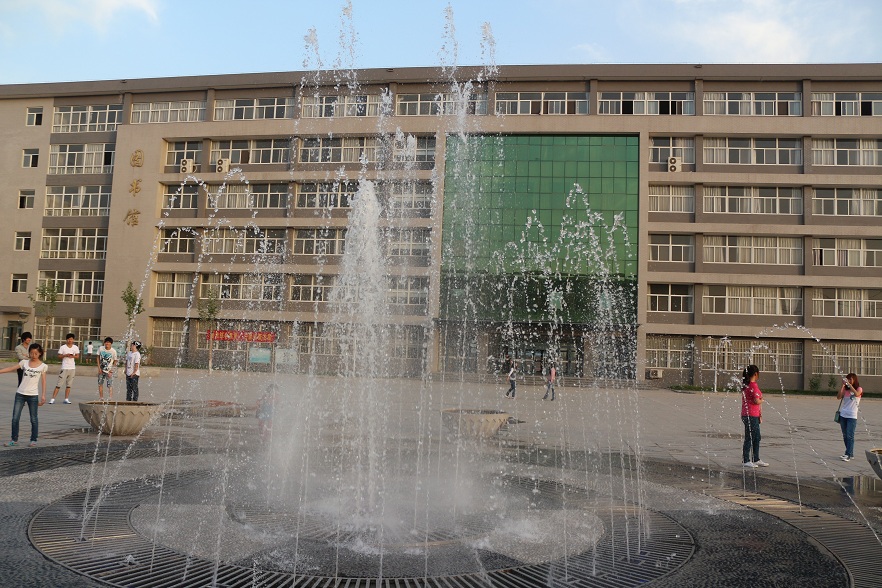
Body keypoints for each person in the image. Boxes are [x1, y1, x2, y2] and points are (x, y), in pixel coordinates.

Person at [0, 342, 48, 447]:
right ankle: (14, 439)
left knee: (33, 418)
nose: (33, 355)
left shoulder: (43, 366)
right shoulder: (24, 362)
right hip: (20, 394)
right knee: (15, 418)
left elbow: (44, 381)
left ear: (40, 353)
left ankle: (33, 439)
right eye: (31, 353)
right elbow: (11, 368)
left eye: (36, 353)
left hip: (33, 395)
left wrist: (43, 395)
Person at [740, 364, 767, 468]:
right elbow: (756, 401)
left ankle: (756, 459)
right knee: (750, 437)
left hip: (749, 415)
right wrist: (762, 400)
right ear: (756, 374)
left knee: (756, 437)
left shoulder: (746, 385)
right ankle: (746, 460)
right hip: (751, 415)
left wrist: (759, 415)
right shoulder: (753, 386)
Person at [837, 373, 863, 462]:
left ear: (854, 380)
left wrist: (849, 385)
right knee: (845, 435)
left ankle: (848, 454)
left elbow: (856, 394)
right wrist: (842, 386)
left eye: (850, 379)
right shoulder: (846, 389)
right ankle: (849, 453)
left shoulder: (859, 389)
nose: (849, 381)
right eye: (848, 379)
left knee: (850, 435)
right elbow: (838, 397)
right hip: (843, 415)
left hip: (852, 416)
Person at [50, 333, 79, 404]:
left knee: (69, 385)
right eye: (68, 339)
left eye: (71, 339)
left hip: (72, 368)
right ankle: (53, 399)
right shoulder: (63, 347)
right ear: (66, 340)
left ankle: (66, 399)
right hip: (64, 367)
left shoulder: (75, 347)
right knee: (59, 384)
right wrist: (65, 355)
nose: (70, 340)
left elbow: (77, 356)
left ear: (73, 340)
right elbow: (59, 356)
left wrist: (72, 356)